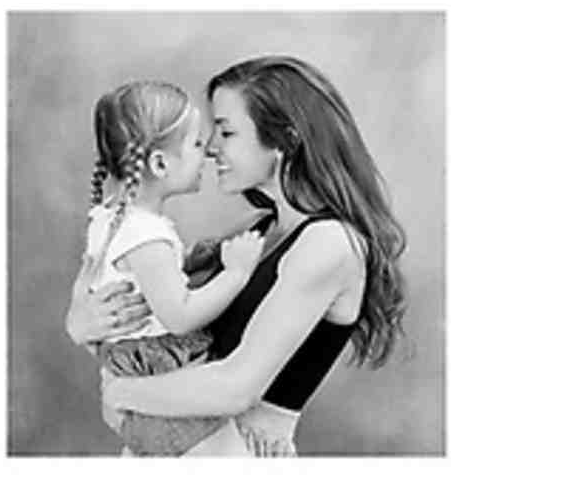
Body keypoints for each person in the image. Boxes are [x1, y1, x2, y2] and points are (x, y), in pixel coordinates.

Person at [66, 56, 407, 456]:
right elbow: (160, 319)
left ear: (285, 141)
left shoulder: (329, 243)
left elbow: (235, 388)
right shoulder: (257, 229)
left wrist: (121, 392)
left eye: (226, 132)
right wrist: (81, 324)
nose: (211, 148)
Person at [79, 80, 264, 456]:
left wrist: (188, 262)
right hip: (158, 374)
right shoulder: (147, 237)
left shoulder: (111, 218)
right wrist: (237, 274)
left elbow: (142, 283)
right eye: (196, 144)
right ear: (160, 164)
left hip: (130, 369)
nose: (208, 152)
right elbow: (180, 317)